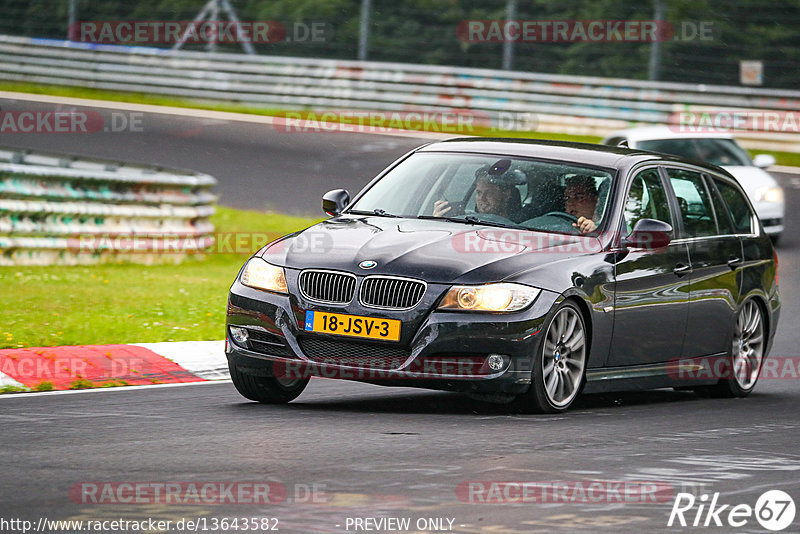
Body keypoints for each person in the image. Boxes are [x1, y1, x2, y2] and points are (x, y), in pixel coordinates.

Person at [433, 167, 524, 220]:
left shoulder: (523, 226)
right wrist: (437, 220)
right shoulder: (466, 219)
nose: (482, 198)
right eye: (479, 192)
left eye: (489, 193)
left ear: (506, 194)